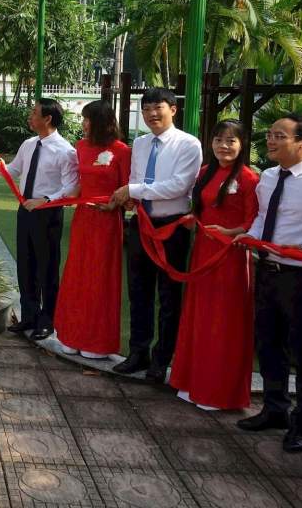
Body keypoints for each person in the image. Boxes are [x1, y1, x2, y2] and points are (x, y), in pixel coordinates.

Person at [234, 114, 302, 453]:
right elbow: (263, 216)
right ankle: (275, 409)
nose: (270, 141)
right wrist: (251, 237)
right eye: (270, 134)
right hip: (268, 272)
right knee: (269, 343)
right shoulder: (269, 177)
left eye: (279, 136)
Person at [110, 88, 202, 382]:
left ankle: (162, 359)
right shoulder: (140, 143)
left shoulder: (189, 145)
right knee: (139, 292)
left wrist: (134, 190)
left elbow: (177, 186)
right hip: (141, 223)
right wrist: (131, 198)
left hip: (171, 227)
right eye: (146, 108)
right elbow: (136, 178)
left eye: (158, 107)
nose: (151, 113)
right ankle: (138, 352)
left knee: (169, 295)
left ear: (173, 109)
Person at [168, 121, 258, 411]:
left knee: (223, 320)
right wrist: (193, 220)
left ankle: (217, 391)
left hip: (230, 257)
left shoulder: (248, 179)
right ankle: (191, 380)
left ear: (242, 145)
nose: (223, 146)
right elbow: (202, 210)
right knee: (199, 314)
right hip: (204, 251)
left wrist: (231, 232)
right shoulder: (205, 174)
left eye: (231, 141)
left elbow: (253, 221)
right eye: (218, 139)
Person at [0, 99, 78, 341]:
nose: (30, 116)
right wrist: (1, 166)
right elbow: (14, 170)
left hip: (48, 213)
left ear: (47, 119)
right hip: (25, 211)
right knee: (26, 265)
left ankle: (47, 321)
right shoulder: (29, 144)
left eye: (34, 112)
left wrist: (46, 199)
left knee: (47, 268)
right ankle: (29, 316)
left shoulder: (65, 150)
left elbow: (71, 186)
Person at [53, 100, 130, 359]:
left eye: (88, 119)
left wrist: (114, 203)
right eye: (84, 119)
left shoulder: (121, 151)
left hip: (107, 223)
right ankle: (71, 334)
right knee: (77, 274)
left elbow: (128, 192)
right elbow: (77, 186)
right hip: (83, 219)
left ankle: (96, 341)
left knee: (100, 277)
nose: (84, 124)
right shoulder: (81, 147)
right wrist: (51, 200)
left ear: (103, 122)